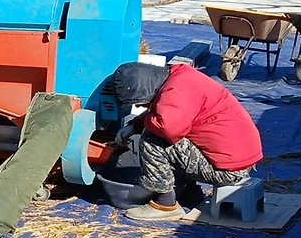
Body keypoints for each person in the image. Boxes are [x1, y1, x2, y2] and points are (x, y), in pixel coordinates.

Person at [111, 61, 263, 221]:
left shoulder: (177, 91)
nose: (139, 106)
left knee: (152, 139)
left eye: (139, 102)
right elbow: (166, 115)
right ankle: (189, 192)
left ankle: (165, 205)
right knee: (180, 135)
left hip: (228, 171)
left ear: (148, 90)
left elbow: (167, 128)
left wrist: (141, 125)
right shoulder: (181, 78)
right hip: (238, 160)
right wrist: (135, 125)